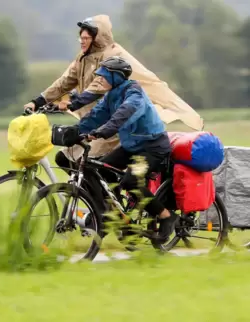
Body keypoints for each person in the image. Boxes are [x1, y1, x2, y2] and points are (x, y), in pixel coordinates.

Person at [23, 14, 204, 172]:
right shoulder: (83, 57)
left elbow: (97, 88)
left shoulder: (112, 57)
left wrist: (72, 103)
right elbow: (63, 83)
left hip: (112, 128)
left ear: (96, 38)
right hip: (94, 122)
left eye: (85, 38)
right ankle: (87, 197)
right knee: (66, 160)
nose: (81, 42)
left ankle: (102, 204)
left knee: (89, 167)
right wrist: (37, 101)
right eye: (81, 38)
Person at [74, 56, 178, 242]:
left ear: (116, 77)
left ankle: (166, 216)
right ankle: (110, 215)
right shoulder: (111, 96)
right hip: (131, 147)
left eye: (104, 76)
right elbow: (95, 117)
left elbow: (123, 115)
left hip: (152, 148)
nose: (99, 79)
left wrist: (102, 132)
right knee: (97, 170)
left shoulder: (134, 94)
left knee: (131, 181)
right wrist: (75, 131)